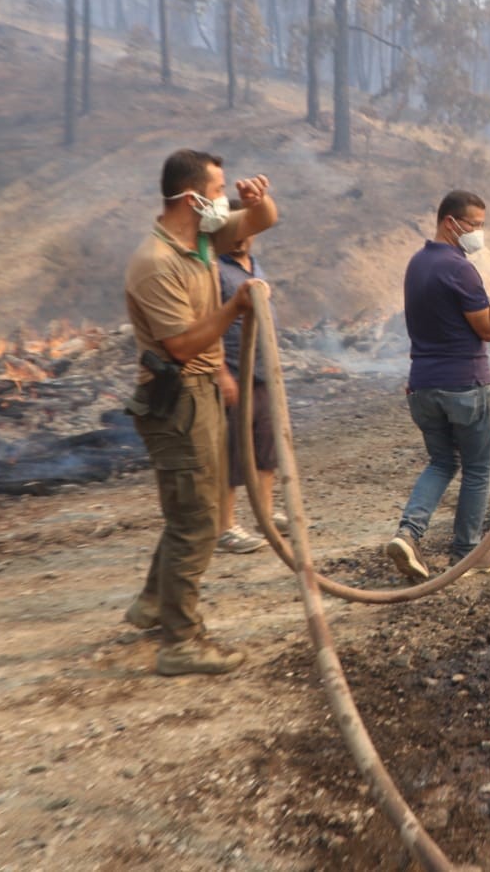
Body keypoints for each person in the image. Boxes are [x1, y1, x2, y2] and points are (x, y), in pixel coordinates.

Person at [121, 149, 277, 676]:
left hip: (204, 390)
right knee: (198, 520)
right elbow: (182, 346)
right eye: (216, 190)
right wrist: (236, 308)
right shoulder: (156, 263)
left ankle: (151, 605)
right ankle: (181, 641)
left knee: (191, 508)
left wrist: (258, 202)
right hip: (177, 400)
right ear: (192, 198)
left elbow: (262, 221)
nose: (222, 198)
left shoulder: (202, 239)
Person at [385, 191, 490, 582]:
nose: (479, 232)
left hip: (422, 385)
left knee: (443, 461)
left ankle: (408, 534)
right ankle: (468, 551)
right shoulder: (459, 268)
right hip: (464, 384)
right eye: (474, 224)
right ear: (450, 223)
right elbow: (489, 328)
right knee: (477, 468)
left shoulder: (418, 263)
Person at [216, 217, 289, 552]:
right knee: (231, 454)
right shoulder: (214, 271)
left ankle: (265, 514)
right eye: (232, 235)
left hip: (262, 373)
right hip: (234, 372)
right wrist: (221, 374)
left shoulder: (254, 266)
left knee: (266, 450)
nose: (239, 241)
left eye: (244, 234)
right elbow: (208, 323)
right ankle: (226, 526)